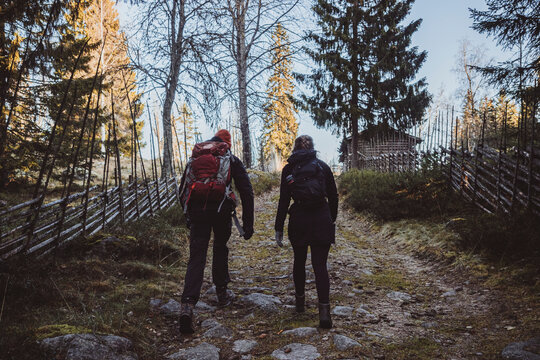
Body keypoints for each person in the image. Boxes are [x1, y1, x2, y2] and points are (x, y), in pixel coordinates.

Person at [179, 129, 254, 334]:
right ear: (227, 143)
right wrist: (248, 224)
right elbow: (247, 191)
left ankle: (187, 305)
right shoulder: (230, 159)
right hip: (221, 211)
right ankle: (222, 293)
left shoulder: (196, 156)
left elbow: (183, 188)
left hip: (198, 212)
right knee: (220, 248)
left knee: (197, 256)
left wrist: (188, 215)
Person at [274, 135, 338, 329]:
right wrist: (331, 217)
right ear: (313, 148)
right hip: (321, 217)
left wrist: (279, 227)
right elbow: (333, 195)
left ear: (295, 148)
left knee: (299, 261)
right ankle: (324, 312)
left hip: (299, 219)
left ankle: (300, 303)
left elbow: (284, 201)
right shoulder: (322, 166)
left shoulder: (288, 169)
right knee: (320, 266)